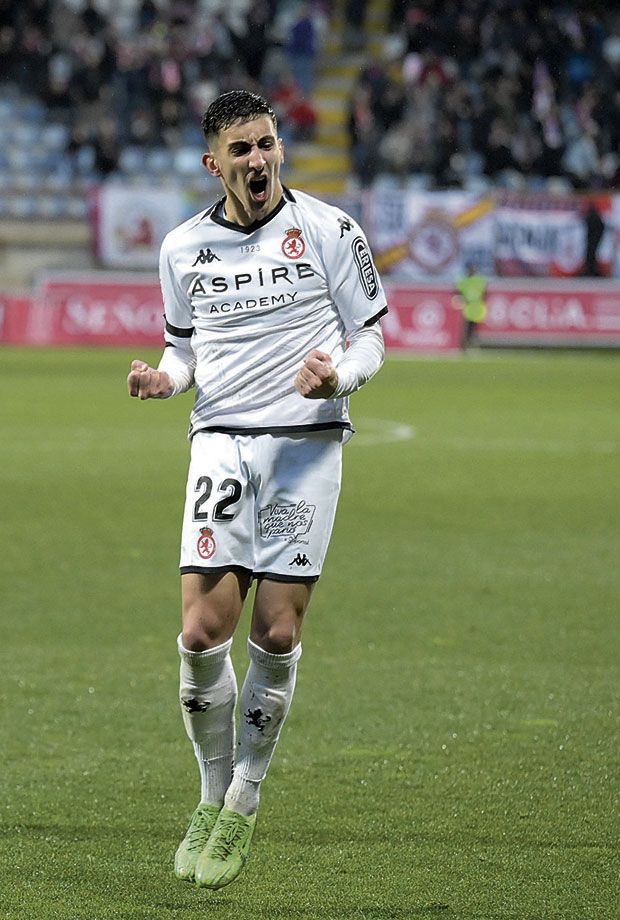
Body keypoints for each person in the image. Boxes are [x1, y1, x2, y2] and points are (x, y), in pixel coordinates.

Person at [127, 90, 388, 890]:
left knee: (275, 634)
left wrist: (336, 375)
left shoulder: (330, 229)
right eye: (240, 149)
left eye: (267, 144)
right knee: (203, 631)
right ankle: (210, 793)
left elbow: (373, 334)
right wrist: (161, 381)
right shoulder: (182, 249)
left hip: (307, 448)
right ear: (215, 164)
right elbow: (183, 352)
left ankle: (244, 797)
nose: (258, 160)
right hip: (220, 446)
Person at [454, 262, 486, 351]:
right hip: (467, 309)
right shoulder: (465, 281)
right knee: (466, 329)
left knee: (473, 329)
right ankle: (465, 346)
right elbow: (458, 292)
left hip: (476, 308)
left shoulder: (478, 281)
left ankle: (471, 346)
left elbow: (484, 292)